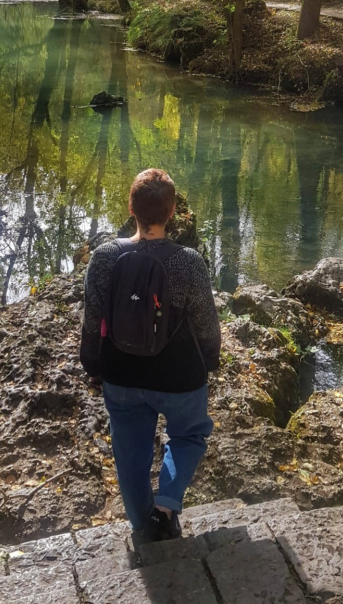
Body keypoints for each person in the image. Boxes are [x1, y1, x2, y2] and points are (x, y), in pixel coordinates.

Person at [80, 168, 221, 542]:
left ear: (131, 208)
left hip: (122, 375)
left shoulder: (104, 257)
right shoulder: (189, 261)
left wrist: (93, 366)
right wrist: (209, 360)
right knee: (190, 436)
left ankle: (144, 527)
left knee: (129, 457)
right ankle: (166, 505)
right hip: (180, 376)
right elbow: (207, 324)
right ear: (172, 211)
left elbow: (92, 321)